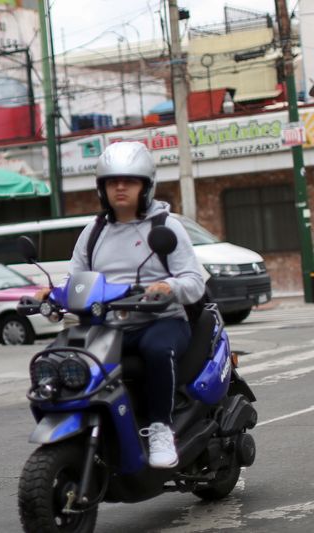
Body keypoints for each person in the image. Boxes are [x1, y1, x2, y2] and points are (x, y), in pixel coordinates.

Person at [37, 142, 204, 469]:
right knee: (70, 359)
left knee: (157, 351)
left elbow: (194, 281)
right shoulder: (94, 231)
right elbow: (76, 279)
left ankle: (160, 427)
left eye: (129, 181)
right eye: (113, 182)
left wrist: (168, 286)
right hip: (110, 324)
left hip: (161, 320)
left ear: (146, 185)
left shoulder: (166, 227)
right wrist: (53, 295)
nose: (121, 188)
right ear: (103, 188)